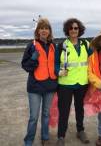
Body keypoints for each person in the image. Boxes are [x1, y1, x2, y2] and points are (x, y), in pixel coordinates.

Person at [21, 18, 59, 146]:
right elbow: (25, 65)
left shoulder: (53, 45)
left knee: (46, 114)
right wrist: (33, 59)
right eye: (41, 28)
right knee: (33, 117)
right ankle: (29, 141)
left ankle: (45, 137)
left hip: (50, 86)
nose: (44, 30)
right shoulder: (31, 45)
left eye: (46, 28)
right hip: (35, 87)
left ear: (49, 31)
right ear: (38, 31)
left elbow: (56, 64)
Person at [56, 18, 93, 146]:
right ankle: (61, 136)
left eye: (76, 28)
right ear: (67, 30)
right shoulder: (61, 46)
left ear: (79, 30)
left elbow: (96, 57)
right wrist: (58, 72)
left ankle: (80, 131)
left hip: (81, 83)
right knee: (64, 111)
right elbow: (55, 64)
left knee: (79, 109)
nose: (73, 30)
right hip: (65, 84)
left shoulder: (86, 44)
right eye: (71, 28)